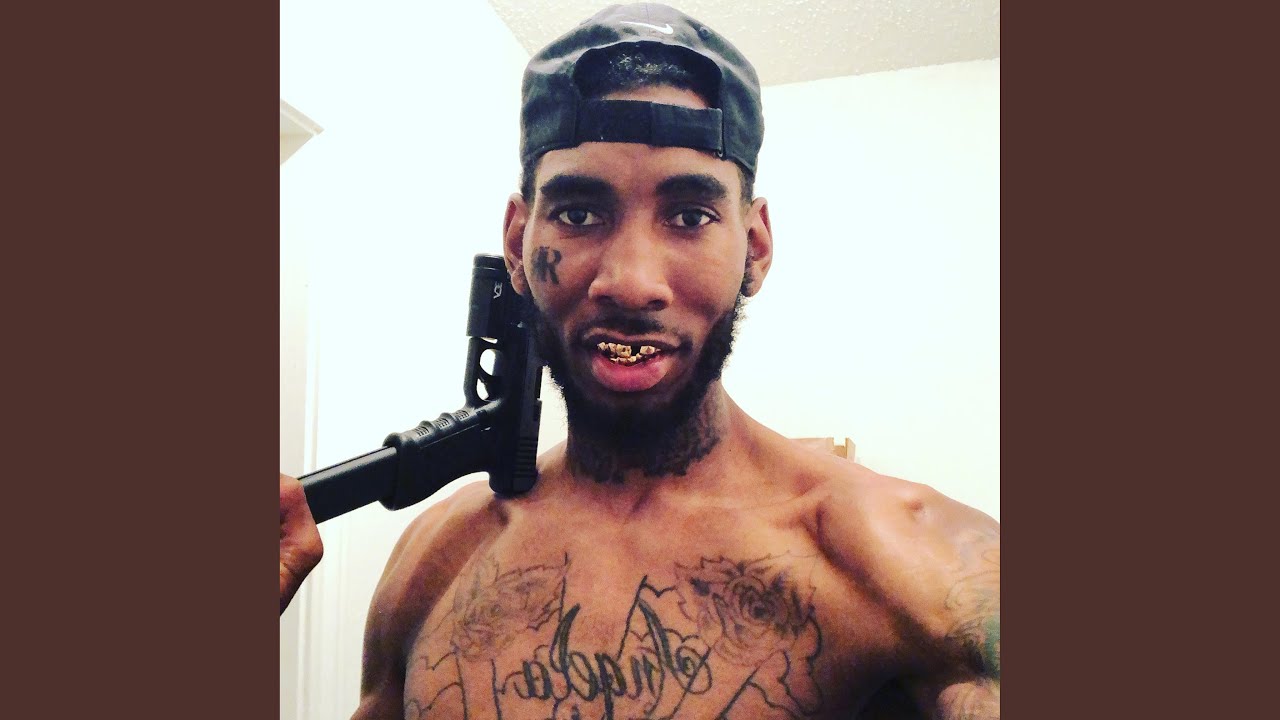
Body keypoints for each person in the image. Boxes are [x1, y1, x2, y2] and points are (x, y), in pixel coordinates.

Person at [280, 4, 999, 718]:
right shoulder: (434, 561)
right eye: (579, 214)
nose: (630, 282)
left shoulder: (915, 566)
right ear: (517, 243)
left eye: (689, 216)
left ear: (754, 248)